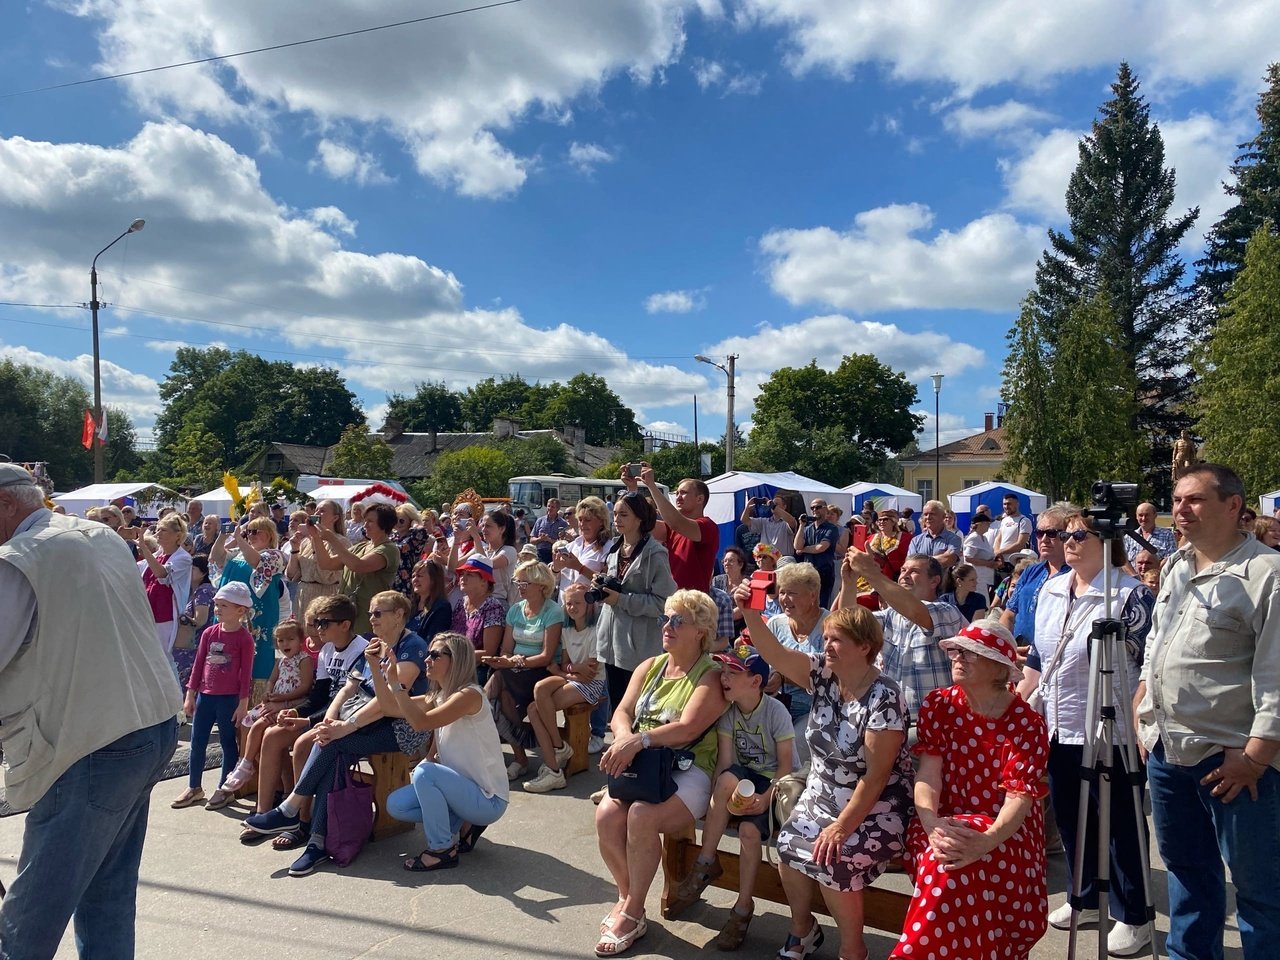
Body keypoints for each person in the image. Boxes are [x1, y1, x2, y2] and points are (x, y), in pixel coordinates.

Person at [0, 465, 181, 958]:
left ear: (5, 505)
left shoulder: (20, 558)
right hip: (148, 722)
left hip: (89, 741)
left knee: (29, 917)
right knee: (107, 895)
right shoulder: (97, 534)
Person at [1134, 463, 1280, 960]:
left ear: (1234, 506)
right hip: (1168, 752)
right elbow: (1158, 639)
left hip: (1235, 761)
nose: (1180, 509)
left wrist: (1256, 756)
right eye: (1176, 499)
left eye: (1194, 499)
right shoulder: (1177, 565)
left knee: (1260, 893)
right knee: (1187, 878)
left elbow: (1276, 674)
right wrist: (1142, 702)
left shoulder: (1266, 574)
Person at [736, 583, 914, 960]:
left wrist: (842, 826)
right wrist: (751, 611)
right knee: (788, 847)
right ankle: (803, 930)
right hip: (822, 793)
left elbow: (877, 776)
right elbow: (776, 654)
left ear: (864, 647)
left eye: (836, 640)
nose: (826, 645)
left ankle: (853, 949)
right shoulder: (823, 674)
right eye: (827, 637)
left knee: (834, 859)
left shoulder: (884, 696)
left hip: (875, 805)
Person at [1017, 511, 1155, 956]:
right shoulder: (1052, 589)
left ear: (1105, 540)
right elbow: (1039, 654)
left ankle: (1133, 913)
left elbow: (1146, 666)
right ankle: (1086, 899)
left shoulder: (1128, 594)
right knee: (1074, 817)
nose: (1067, 541)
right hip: (1059, 723)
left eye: (1077, 534)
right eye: (1062, 535)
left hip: (1109, 725)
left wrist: (1139, 721)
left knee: (1118, 823)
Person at [891, 620, 1050, 960]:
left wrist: (987, 840)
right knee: (946, 859)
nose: (958, 658)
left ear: (998, 668)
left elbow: (1018, 799)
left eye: (971, 653)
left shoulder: (1026, 722)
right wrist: (931, 824)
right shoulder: (940, 705)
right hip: (941, 819)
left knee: (952, 864)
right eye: (956, 651)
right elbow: (928, 775)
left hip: (1006, 832)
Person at [242, 591, 428, 876]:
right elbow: (348, 688)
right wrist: (330, 721)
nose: (371, 619)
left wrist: (347, 725)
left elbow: (388, 701)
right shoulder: (374, 644)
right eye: (371, 613)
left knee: (331, 743)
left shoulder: (411, 645)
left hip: (401, 726)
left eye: (378, 613)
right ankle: (310, 835)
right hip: (363, 719)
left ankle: (296, 816)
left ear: (399, 615)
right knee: (328, 740)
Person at [595, 590, 726, 957]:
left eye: (677, 620)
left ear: (700, 630)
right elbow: (621, 712)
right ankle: (628, 896)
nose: (667, 626)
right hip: (642, 766)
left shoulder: (710, 674)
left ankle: (633, 912)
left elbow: (687, 728)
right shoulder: (650, 666)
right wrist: (624, 738)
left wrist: (639, 741)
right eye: (665, 618)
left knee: (640, 816)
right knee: (606, 814)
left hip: (688, 768)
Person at [666, 640, 796, 950]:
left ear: (755, 682)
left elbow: (787, 768)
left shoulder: (776, 712)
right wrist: (713, 805)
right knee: (724, 779)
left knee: (750, 833)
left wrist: (765, 800)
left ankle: (742, 910)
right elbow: (726, 763)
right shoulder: (729, 712)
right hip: (743, 782)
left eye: (733, 673)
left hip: (774, 786)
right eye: (724, 670)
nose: (724, 677)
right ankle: (705, 862)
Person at [378, 630, 510, 870]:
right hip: (462, 790)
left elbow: (421, 723)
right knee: (397, 805)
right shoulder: (438, 696)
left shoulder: (469, 695)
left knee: (425, 774)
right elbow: (388, 706)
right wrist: (382, 673)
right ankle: (462, 825)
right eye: (428, 654)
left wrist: (397, 686)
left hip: (488, 799)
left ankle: (442, 849)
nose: (427, 659)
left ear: (456, 659)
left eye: (435, 655)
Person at [245, 595, 368, 849]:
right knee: (273, 734)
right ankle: (264, 812)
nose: (317, 628)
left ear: (344, 625)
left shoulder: (362, 650)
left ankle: (302, 821)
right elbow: (319, 696)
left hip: (347, 718)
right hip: (324, 713)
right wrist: (295, 713)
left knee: (302, 744)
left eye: (323, 623)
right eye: (316, 623)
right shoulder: (326, 650)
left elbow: (354, 702)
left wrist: (306, 721)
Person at [841, 550, 969, 721]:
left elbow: (916, 612)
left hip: (935, 724)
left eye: (914, 571)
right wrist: (849, 584)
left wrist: (870, 572)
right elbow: (848, 624)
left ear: (934, 581)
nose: (905, 575)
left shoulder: (946, 611)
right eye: (902, 570)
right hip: (891, 723)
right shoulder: (889, 615)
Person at [172, 581, 255, 810]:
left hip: (228, 699)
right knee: (197, 741)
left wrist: (243, 704)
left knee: (228, 742)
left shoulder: (244, 638)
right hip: (205, 697)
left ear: (240, 610)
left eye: (223, 605)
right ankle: (194, 787)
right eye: (216, 604)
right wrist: (190, 694)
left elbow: (246, 673)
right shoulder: (209, 633)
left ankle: (224, 789)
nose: (217, 609)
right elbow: (198, 665)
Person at [594, 490, 679, 711]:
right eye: (615, 514)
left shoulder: (655, 555)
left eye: (623, 514)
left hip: (639, 650)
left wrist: (621, 600)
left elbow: (664, 603)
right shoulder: (614, 549)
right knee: (618, 711)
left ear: (639, 518)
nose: (617, 520)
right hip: (611, 645)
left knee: (637, 713)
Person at [216, 619, 316, 806]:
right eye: (280, 640)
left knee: (261, 727)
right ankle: (245, 761)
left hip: (291, 705)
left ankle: (246, 765)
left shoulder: (304, 660)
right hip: (275, 701)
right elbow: (272, 680)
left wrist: (283, 700)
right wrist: (269, 692)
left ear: (300, 640)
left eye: (290, 639)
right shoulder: (281, 661)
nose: (285, 644)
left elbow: (305, 687)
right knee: (247, 721)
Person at [522, 582, 607, 793]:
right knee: (540, 690)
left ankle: (554, 767)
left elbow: (589, 674)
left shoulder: (596, 631)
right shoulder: (567, 630)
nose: (572, 607)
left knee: (535, 710)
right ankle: (559, 747)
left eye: (578, 602)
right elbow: (567, 665)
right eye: (569, 603)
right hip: (572, 679)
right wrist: (569, 670)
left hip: (591, 685)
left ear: (589, 604)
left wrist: (565, 671)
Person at [485, 559, 564, 782]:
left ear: (541, 585)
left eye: (524, 582)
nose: (519, 586)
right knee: (501, 695)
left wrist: (515, 663)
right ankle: (519, 757)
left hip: (541, 672)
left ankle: (516, 755)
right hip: (514, 671)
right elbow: (507, 649)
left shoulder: (553, 611)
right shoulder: (515, 610)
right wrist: (507, 660)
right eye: (517, 582)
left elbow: (546, 656)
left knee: (497, 685)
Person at [210, 516, 286, 693]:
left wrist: (239, 539)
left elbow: (256, 562)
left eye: (255, 531)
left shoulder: (275, 555)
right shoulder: (238, 552)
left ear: (268, 535)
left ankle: (254, 700)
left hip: (258, 614)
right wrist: (223, 535)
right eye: (248, 532)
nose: (250, 535)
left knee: (256, 653)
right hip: (230, 613)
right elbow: (216, 557)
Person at [760, 562, 828, 756]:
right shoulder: (775, 624)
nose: (784, 599)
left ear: (812, 595)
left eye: (792, 593)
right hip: (775, 707)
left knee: (794, 746)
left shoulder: (830, 626)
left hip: (816, 711)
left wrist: (782, 677)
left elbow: (826, 676)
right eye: (782, 592)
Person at [309, 501, 399, 634]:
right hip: (346, 613)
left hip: (368, 616)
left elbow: (358, 565)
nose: (365, 525)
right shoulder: (361, 546)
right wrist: (316, 537)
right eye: (365, 520)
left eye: (370, 521)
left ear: (384, 524)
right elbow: (326, 564)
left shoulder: (389, 549)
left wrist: (332, 539)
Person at [1000, 503, 1072, 651]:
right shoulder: (1031, 571)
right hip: (1018, 652)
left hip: (1054, 656)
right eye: (1039, 533)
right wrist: (1008, 649)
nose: (1044, 539)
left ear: (1067, 535)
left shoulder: (1076, 574)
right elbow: (1008, 615)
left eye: (1052, 533)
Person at [285, 498, 349, 647]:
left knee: (322, 641)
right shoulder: (306, 541)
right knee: (301, 642)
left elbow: (326, 575)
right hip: (304, 594)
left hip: (325, 594)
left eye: (323, 510)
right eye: (317, 510)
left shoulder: (341, 542)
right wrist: (294, 550)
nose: (317, 513)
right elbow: (291, 574)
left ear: (335, 517)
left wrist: (316, 539)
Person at [137, 512, 193, 656]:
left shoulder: (183, 558)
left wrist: (144, 548)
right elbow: (133, 569)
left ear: (177, 536)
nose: (158, 532)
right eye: (158, 529)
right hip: (148, 614)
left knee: (164, 659)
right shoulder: (156, 556)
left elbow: (162, 574)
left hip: (165, 616)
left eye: (164, 530)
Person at [552, 495, 611, 594]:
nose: (582, 524)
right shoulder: (571, 546)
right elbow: (554, 582)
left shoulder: (609, 548)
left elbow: (608, 584)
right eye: (580, 519)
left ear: (601, 521)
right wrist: (555, 569)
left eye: (588, 520)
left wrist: (579, 567)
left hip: (591, 607)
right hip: (564, 606)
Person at [174, 554, 216, 687]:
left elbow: (200, 621)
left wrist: (179, 618)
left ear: (203, 572)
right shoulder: (190, 591)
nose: (188, 571)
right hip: (187, 646)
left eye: (192, 568)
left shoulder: (204, 591)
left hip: (194, 649)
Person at [793, 496, 841, 607]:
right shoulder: (807, 528)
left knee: (821, 604)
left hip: (824, 572)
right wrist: (801, 525)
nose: (815, 510)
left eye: (818, 507)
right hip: (807, 572)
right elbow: (797, 545)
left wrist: (804, 549)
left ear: (825, 509)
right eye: (812, 508)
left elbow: (821, 548)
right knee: (807, 603)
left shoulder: (831, 528)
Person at [908, 500, 964, 571]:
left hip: (943, 581)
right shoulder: (916, 541)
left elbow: (949, 559)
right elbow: (911, 563)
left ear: (943, 517)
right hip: (920, 581)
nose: (928, 517)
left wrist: (920, 560)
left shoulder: (954, 539)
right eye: (925, 514)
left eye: (932, 514)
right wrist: (941, 557)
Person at [390, 502, 431, 598]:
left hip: (406, 583)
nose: (397, 524)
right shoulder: (392, 536)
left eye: (401, 521)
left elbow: (422, 531)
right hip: (390, 579)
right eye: (395, 520)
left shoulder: (415, 537)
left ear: (410, 520)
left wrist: (415, 523)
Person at [408, 558, 453, 642]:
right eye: (413, 576)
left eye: (419, 576)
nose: (415, 580)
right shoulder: (410, 606)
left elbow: (434, 641)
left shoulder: (441, 608)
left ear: (433, 580)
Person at [740, 493, 798, 557]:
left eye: (776, 504)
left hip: (783, 559)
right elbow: (745, 520)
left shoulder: (786, 523)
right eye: (773, 504)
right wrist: (748, 506)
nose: (772, 506)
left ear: (784, 507)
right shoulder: (764, 522)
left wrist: (772, 505)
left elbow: (792, 521)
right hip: (767, 559)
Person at [712, 545, 751, 636]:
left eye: (731, 560)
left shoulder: (748, 583)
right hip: (717, 622)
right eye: (725, 561)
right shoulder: (717, 580)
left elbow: (745, 608)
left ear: (740, 564)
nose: (726, 563)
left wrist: (725, 617)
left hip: (739, 624)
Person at [1124, 501, 1178, 565]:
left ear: (1155, 515)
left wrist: (1155, 573)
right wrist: (1134, 575)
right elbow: (1124, 560)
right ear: (1136, 517)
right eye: (1140, 515)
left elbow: (1171, 558)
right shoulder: (1129, 537)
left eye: (1147, 515)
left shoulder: (1167, 535)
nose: (1143, 518)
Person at [867, 509, 910, 582]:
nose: (881, 522)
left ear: (893, 522)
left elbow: (909, 559)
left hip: (893, 579)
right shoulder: (870, 538)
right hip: (872, 578)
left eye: (885, 519)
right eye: (879, 520)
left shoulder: (905, 538)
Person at [964, 507, 998, 598]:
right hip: (976, 578)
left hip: (984, 578)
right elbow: (968, 557)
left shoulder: (984, 538)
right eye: (987, 524)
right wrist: (988, 563)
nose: (988, 526)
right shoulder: (974, 537)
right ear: (980, 524)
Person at [992, 493, 1033, 565]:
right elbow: (998, 539)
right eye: (1004, 504)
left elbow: (1020, 544)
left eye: (1009, 504)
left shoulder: (1024, 521)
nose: (1006, 506)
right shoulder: (1004, 520)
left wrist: (999, 552)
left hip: (1014, 561)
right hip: (1001, 561)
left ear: (1017, 504)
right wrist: (997, 553)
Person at [530, 497, 570, 563]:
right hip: (540, 553)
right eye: (548, 506)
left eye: (552, 507)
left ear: (557, 509)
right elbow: (531, 540)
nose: (549, 509)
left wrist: (549, 540)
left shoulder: (563, 523)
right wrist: (540, 539)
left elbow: (564, 543)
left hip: (555, 553)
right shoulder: (540, 521)